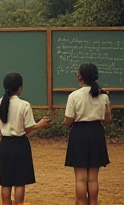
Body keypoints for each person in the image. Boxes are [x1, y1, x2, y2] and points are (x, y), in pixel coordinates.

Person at [0, 72, 50, 205]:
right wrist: (40, 124)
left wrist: (2, 133)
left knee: (6, 182)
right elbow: (28, 128)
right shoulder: (24, 105)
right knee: (19, 181)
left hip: (5, 144)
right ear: (20, 87)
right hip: (20, 145)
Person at [64, 63, 112, 205]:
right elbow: (107, 120)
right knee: (93, 178)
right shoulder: (103, 96)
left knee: (80, 178)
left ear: (80, 77)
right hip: (96, 133)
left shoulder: (74, 96)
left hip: (79, 134)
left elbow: (68, 121)